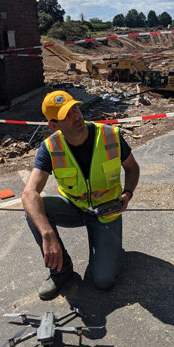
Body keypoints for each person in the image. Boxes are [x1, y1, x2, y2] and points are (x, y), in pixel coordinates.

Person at [22, 90, 140, 301]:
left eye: (75, 108)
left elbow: (132, 168)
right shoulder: (50, 148)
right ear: (53, 125)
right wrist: (48, 235)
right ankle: (61, 271)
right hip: (74, 208)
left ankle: (109, 246)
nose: (76, 116)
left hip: (106, 211)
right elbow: (29, 193)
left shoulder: (110, 136)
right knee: (34, 211)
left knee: (103, 281)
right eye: (67, 114)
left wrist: (127, 194)